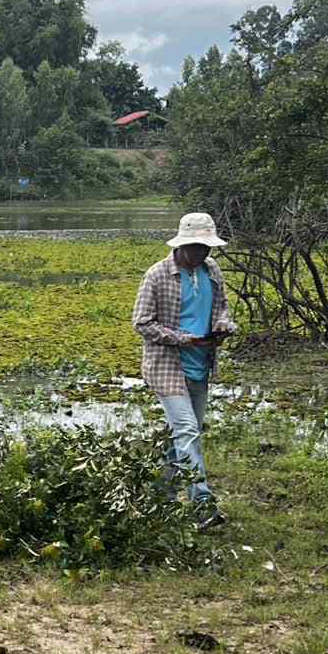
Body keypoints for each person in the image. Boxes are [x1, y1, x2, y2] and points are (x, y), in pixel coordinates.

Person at [131, 211, 237, 524]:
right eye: (197, 247)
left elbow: (222, 308)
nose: (203, 253)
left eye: (207, 247)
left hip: (200, 365)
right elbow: (142, 322)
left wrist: (223, 325)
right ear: (181, 245)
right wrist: (179, 338)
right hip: (167, 366)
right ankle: (203, 506)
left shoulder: (212, 270)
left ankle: (159, 499)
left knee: (180, 437)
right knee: (188, 431)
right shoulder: (157, 275)